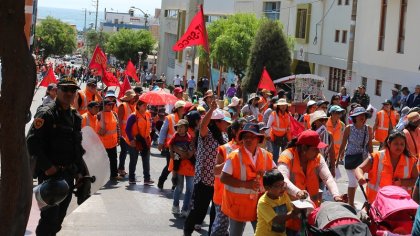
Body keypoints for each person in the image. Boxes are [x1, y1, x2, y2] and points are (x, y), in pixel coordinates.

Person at [27, 78, 87, 235]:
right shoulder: (47, 113)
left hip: (68, 174)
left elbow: (76, 148)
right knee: (49, 219)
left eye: (72, 90)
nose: (69, 93)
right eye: (65, 89)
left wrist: (80, 173)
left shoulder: (74, 116)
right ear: (57, 90)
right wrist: (48, 167)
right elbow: (32, 143)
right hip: (50, 176)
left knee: (59, 218)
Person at [277, 130, 343, 234]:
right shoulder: (287, 155)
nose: (318, 152)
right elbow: (283, 179)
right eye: (315, 149)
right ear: (304, 148)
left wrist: (336, 195)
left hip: (312, 214)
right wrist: (297, 192)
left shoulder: (317, 157)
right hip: (290, 213)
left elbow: (328, 178)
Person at [220, 123, 276, 236]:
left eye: (252, 136)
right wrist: (245, 184)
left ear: (258, 139)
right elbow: (223, 178)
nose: (248, 139)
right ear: (242, 139)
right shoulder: (234, 156)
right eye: (245, 137)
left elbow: (275, 173)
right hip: (237, 206)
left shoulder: (266, 155)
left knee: (262, 233)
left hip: (259, 204)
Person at [184, 104, 231, 236]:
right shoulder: (206, 134)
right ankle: (187, 231)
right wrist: (211, 109)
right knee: (199, 210)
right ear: (216, 122)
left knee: (215, 212)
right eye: (224, 122)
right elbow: (203, 125)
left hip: (218, 181)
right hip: (204, 180)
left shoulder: (225, 137)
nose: (227, 125)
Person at [355, 130, 418, 203]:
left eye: (402, 144)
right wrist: (360, 177)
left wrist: (402, 182)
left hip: (400, 205)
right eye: (396, 144)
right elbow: (359, 169)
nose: (399, 147)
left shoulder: (410, 161)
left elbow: (416, 181)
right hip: (378, 204)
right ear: (389, 143)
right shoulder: (376, 157)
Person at [212, 119, 243, 236]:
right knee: (220, 227)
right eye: (242, 129)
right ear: (234, 131)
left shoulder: (251, 150)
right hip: (223, 196)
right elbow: (215, 171)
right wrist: (230, 162)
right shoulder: (225, 148)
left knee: (235, 230)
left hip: (241, 197)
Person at [337, 107, 373, 208]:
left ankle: (351, 199)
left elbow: (370, 146)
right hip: (350, 159)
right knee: (353, 181)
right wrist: (338, 157)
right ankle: (351, 205)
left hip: (363, 160)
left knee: (358, 182)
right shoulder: (349, 128)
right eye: (360, 115)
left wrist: (374, 158)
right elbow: (343, 143)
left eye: (364, 115)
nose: (362, 117)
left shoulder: (368, 129)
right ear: (355, 117)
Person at [255, 169, 294, 236]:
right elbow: (276, 220)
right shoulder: (263, 202)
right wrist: (294, 212)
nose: (282, 188)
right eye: (277, 186)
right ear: (267, 188)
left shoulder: (283, 195)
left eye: (283, 184)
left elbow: (291, 209)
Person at [169, 119, 196, 216]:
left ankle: (185, 209)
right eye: (178, 127)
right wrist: (173, 153)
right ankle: (175, 206)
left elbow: (190, 154)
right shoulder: (175, 136)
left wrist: (185, 153)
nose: (180, 129)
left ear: (186, 128)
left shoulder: (190, 138)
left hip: (190, 169)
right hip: (179, 166)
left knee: (189, 189)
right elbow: (171, 146)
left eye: (182, 127)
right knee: (179, 187)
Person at [157, 100, 186, 189]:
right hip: (170, 147)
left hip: (181, 148)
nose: (184, 109)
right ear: (178, 109)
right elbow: (163, 131)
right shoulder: (170, 118)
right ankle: (162, 181)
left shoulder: (185, 119)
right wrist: (160, 143)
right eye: (182, 108)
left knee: (177, 166)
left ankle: (175, 185)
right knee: (171, 165)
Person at [125, 99, 154, 185]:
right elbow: (127, 129)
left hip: (145, 141)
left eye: (146, 105)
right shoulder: (133, 116)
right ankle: (131, 178)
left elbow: (150, 126)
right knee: (133, 160)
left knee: (146, 160)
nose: (145, 107)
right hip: (135, 141)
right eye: (143, 105)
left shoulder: (148, 114)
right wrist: (131, 139)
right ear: (138, 106)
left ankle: (147, 179)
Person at [97, 98, 121, 181]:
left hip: (113, 142)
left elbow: (117, 127)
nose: (111, 106)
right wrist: (100, 130)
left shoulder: (114, 113)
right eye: (109, 104)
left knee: (113, 159)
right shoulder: (99, 115)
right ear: (104, 105)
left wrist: (118, 138)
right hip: (103, 143)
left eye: (112, 104)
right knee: (103, 161)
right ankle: (101, 176)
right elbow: (96, 128)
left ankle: (114, 175)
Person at [117, 89, 138, 177]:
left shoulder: (133, 105)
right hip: (123, 134)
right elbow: (119, 120)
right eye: (133, 97)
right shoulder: (123, 105)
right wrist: (120, 135)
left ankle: (126, 169)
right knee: (124, 152)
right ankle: (121, 168)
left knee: (130, 153)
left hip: (131, 134)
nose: (134, 98)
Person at [310, 110, 335, 175]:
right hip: (310, 167)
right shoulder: (309, 133)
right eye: (321, 120)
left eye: (325, 120)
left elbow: (332, 153)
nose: (324, 122)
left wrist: (333, 169)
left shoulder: (329, 135)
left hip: (324, 166)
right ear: (315, 122)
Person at [267, 99, 292, 164]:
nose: (283, 106)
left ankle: (284, 167)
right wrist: (268, 135)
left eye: (284, 105)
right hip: (275, 137)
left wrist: (290, 139)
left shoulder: (288, 115)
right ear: (278, 106)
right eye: (281, 105)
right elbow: (268, 125)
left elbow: (289, 128)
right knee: (275, 155)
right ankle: (275, 169)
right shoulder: (273, 114)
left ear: (286, 106)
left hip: (284, 137)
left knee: (285, 155)